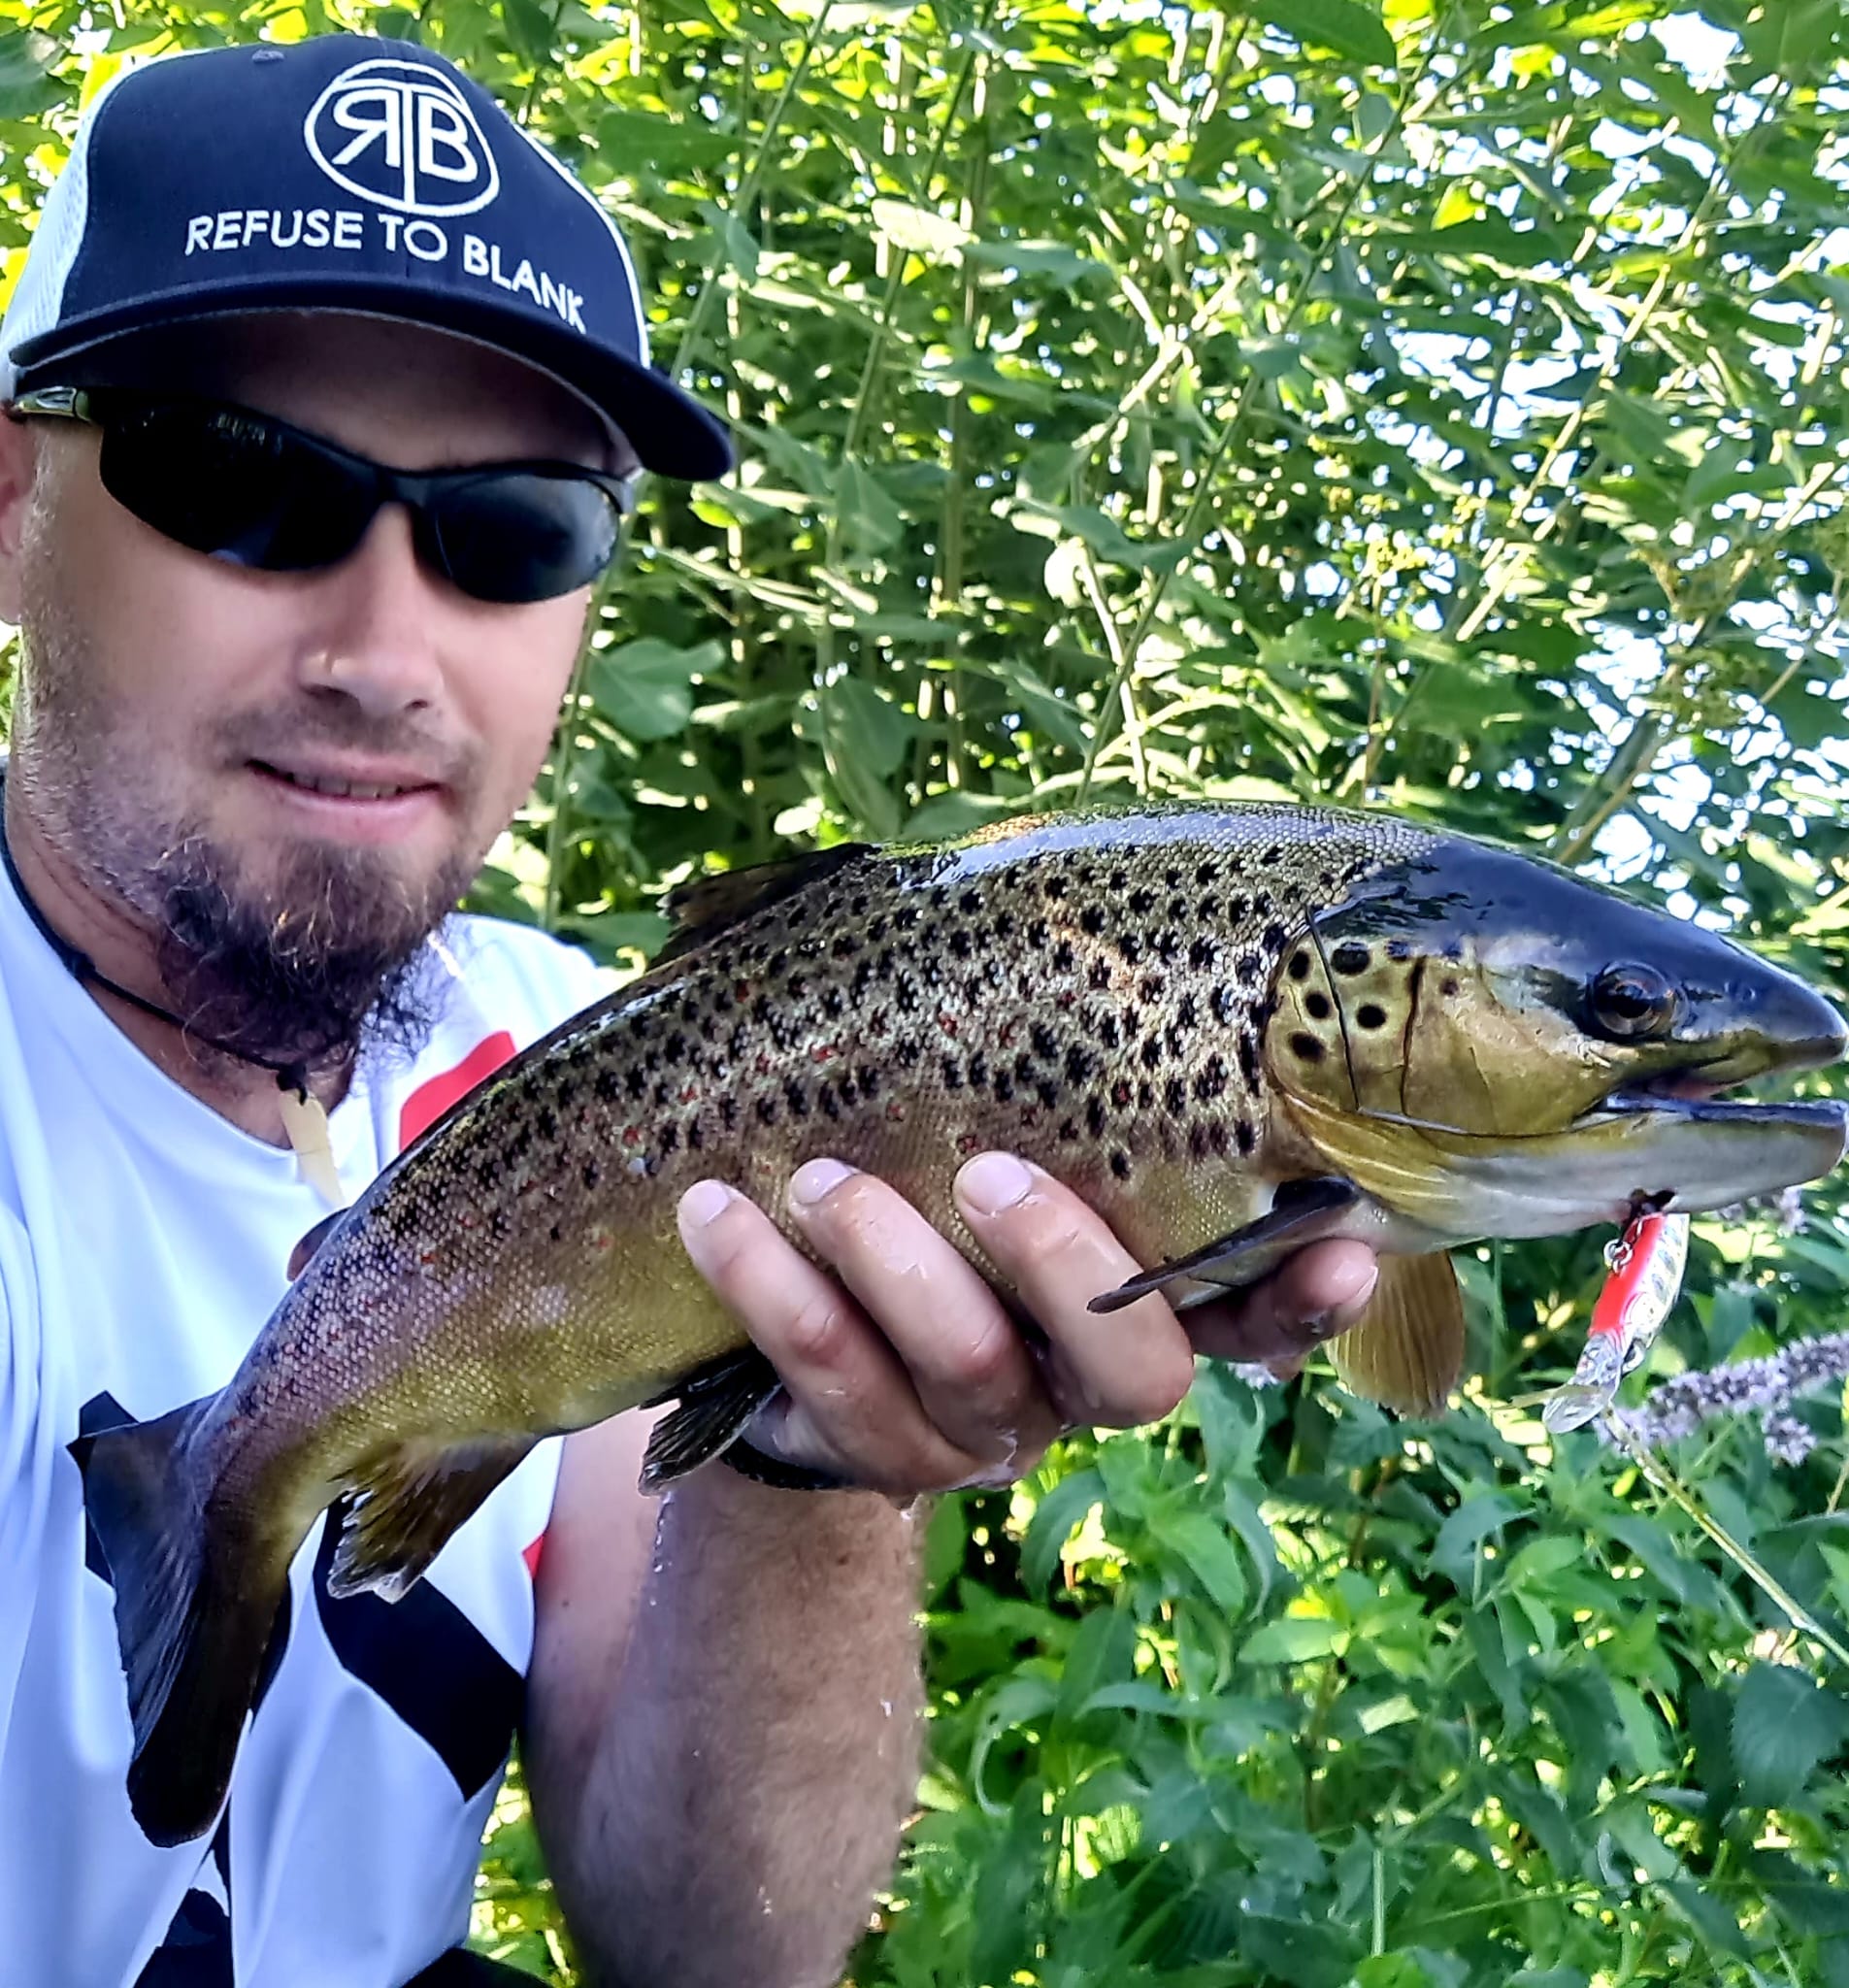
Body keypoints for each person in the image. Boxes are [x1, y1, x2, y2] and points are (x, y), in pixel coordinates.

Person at [0, 31, 1381, 1988]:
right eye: (234, 479)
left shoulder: (616, 1062)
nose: (384, 648)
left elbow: (714, 1955)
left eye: (513, 528)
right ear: (11, 500)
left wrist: (809, 1448)